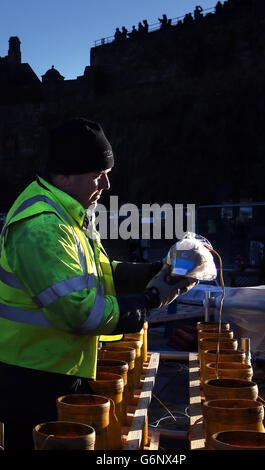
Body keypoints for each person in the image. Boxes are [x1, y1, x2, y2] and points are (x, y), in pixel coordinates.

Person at [0, 118, 197, 450]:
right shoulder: (43, 228)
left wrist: (159, 269)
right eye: (97, 175)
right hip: (32, 380)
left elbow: (104, 273)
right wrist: (151, 299)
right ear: (64, 175)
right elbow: (81, 313)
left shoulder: (67, 212)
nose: (106, 183)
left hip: (53, 368)